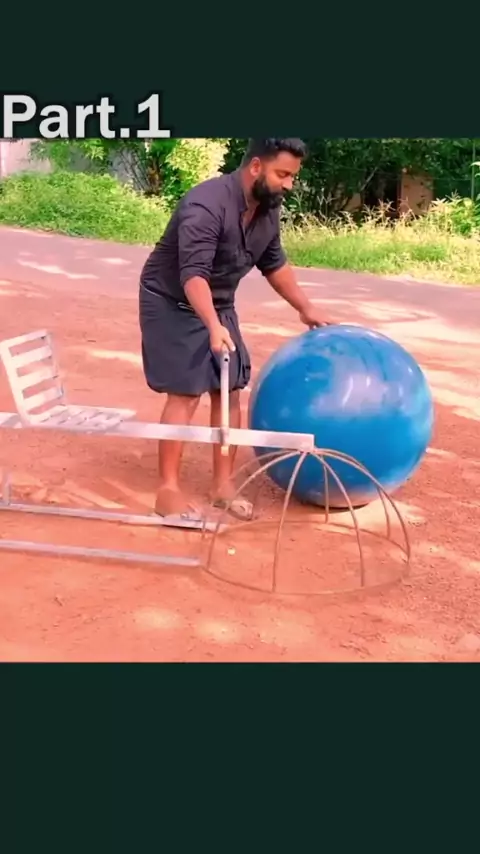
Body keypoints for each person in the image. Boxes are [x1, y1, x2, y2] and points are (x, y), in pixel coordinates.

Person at [138, 137, 332, 522]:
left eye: (293, 176)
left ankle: (222, 486)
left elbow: (274, 264)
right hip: (172, 301)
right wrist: (212, 325)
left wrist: (305, 308)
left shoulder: (267, 208)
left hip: (219, 301)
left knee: (228, 389)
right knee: (186, 391)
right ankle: (168, 490)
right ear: (256, 167)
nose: (289, 184)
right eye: (283, 174)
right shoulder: (205, 205)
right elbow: (193, 274)